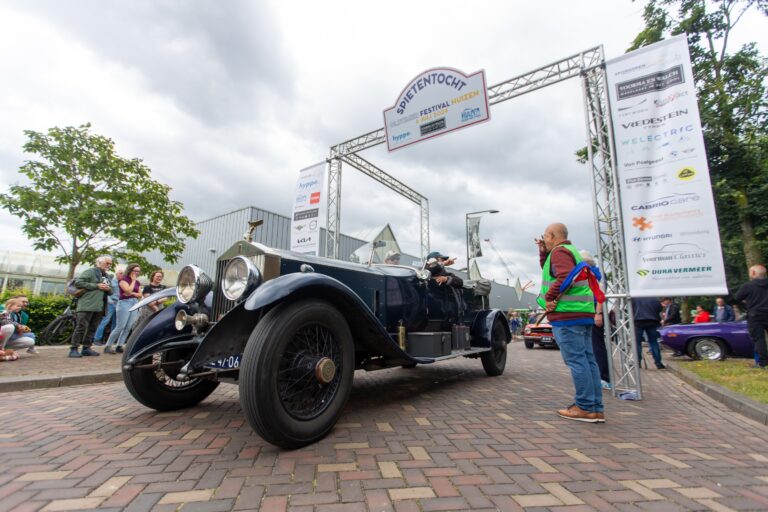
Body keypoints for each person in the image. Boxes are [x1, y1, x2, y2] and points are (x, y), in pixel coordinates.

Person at [536, 222, 604, 423]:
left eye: (545, 237)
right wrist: (542, 253)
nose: (544, 240)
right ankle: (594, 407)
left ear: (552, 236)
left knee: (576, 360)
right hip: (581, 313)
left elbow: (564, 276)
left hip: (567, 315)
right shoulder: (570, 251)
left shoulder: (559, 252)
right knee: (587, 360)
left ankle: (584, 406)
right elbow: (553, 272)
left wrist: (549, 297)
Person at [579, 250, 611, 390]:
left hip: (594, 312)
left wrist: (598, 313)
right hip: (588, 312)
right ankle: (596, 375)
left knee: (596, 345)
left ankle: (604, 377)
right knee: (590, 346)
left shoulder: (595, 274)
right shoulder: (588, 273)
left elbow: (600, 294)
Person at [70, 255, 113, 358]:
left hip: (100, 306)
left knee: (93, 328)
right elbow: (78, 282)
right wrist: (96, 285)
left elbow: (111, 291)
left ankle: (86, 348)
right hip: (87, 304)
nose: (109, 266)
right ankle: (74, 349)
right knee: (81, 327)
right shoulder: (90, 272)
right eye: (107, 263)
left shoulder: (106, 275)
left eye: (110, 264)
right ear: (99, 262)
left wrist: (108, 289)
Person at [734, 264, 768, 369]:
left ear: (753, 273)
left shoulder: (748, 286)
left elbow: (736, 299)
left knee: (759, 340)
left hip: (756, 316)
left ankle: (762, 363)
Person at [104, 263, 143, 354]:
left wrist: (133, 293)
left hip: (134, 303)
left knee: (128, 326)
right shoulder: (123, 280)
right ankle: (108, 345)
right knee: (120, 326)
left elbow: (140, 295)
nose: (137, 273)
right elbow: (128, 291)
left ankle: (119, 345)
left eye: (138, 271)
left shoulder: (138, 282)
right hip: (124, 303)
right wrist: (133, 282)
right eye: (135, 271)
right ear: (130, 270)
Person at [632, 297, 665, 369]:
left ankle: (637, 362)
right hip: (652, 321)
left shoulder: (635, 298)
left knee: (637, 343)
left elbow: (630, 309)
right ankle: (658, 362)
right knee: (653, 342)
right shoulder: (655, 298)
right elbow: (659, 310)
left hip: (638, 321)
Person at [94, 269, 123, 345]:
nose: (122, 275)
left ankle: (111, 340)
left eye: (123, 274)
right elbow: (106, 292)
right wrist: (110, 301)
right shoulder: (111, 281)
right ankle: (97, 339)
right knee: (104, 321)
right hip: (111, 304)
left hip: (118, 304)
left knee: (116, 323)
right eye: (120, 273)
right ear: (116, 274)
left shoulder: (122, 283)